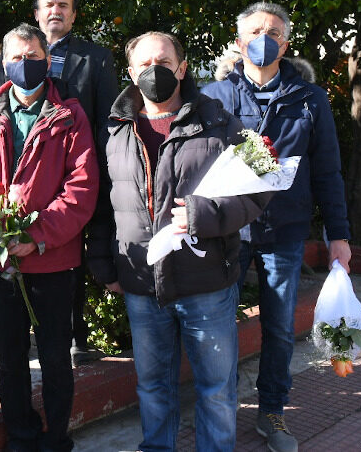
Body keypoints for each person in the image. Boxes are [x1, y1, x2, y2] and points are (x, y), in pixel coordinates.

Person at [87, 31, 271, 452]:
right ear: (131, 73)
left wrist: (204, 216)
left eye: (165, 63)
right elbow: (102, 202)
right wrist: (102, 262)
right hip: (141, 285)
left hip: (205, 282)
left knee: (215, 390)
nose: (156, 71)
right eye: (146, 64)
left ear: (183, 68)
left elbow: (261, 187)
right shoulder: (114, 131)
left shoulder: (220, 122)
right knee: (152, 388)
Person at [201, 2, 352, 452]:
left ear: (285, 42)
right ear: (239, 40)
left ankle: (273, 413)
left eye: (273, 31)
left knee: (281, 328)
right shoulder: (215, 96)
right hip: (227, 231)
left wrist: (338, 235)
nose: (263, 38)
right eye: (254, 31)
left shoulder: (310, 98)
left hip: (284, 230)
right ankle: (222, 409)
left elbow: (328, 170)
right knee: (219, 326)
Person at [0, 23, 101, 451]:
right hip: (1, 261)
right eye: (16, 57)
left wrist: (37, 235)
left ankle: (56, 437)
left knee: (56, 357)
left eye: (33, 56)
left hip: (53, 260)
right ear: (3, 63)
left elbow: (82, 189)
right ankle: (20, 434)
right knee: (11, 357)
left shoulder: (70, 116)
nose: (24, 64)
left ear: (47, 60)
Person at [0, 0, 120, 366]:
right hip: (28, 175)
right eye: (48, 5)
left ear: (73, 14)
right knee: (23, 251)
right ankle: (31, 332)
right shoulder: (19, 54)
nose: (56, 11)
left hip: (76, 171)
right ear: (37, 13)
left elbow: (107, 118)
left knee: (74, 257)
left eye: (63, 5)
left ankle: (76, 338)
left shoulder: (95, 57)